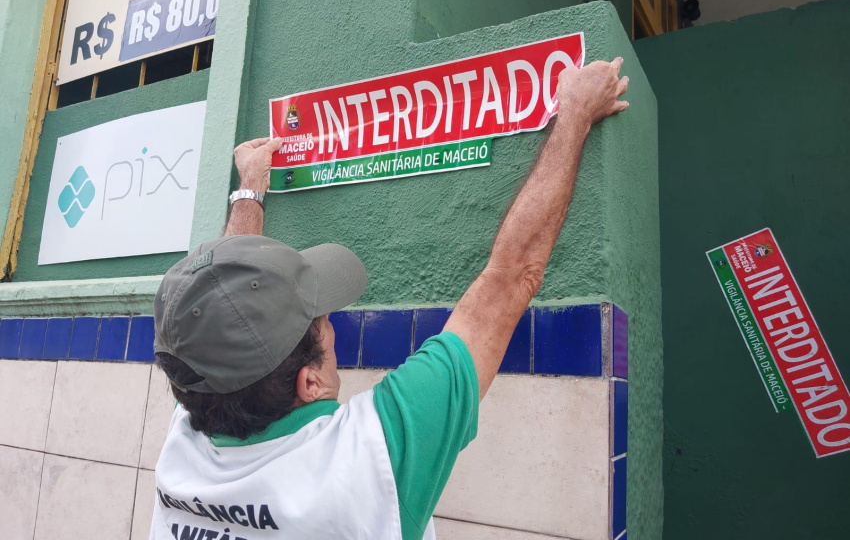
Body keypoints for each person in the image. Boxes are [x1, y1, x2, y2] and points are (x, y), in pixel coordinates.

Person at [150, 57, 629, 540]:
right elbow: (510, 279)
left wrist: (250, 186)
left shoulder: (190, 434)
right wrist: (574, 113)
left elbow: (223, 307)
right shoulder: (369, 460)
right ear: (310, 382)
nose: (329, 322)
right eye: (321, 318)